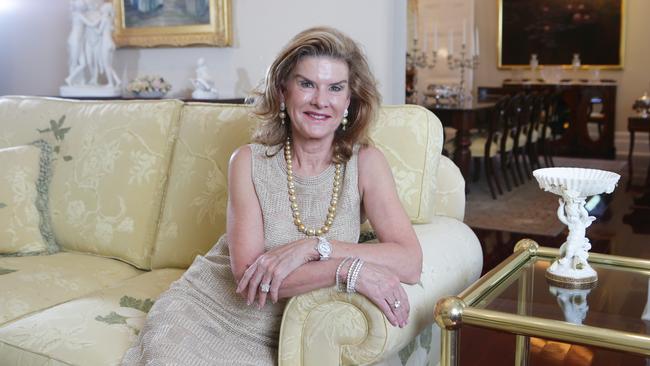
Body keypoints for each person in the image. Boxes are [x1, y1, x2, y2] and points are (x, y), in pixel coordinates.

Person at [122, 26, 422, 365]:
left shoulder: (366, 163)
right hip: (208, 311)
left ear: (349, 99)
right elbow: (250, 276)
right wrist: (348, 270)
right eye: (306, 84)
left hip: (291, 331)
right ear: (283, 91)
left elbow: (410, 262)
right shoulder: (248, 161)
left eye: (335, 88)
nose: (321, 101)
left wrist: (315, 247)